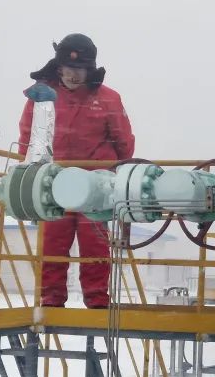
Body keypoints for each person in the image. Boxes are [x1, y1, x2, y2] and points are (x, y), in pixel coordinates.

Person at [18, 33, 135, 309]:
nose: (72, 75)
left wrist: (112, 177)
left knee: (94, 244)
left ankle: (96, 300)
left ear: (89, 69)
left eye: (79, 69)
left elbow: (124, 143)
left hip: (94, 186)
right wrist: (30, 174)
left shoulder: (107, 99)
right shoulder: (42, 97)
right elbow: (28, 138)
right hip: (52, 183)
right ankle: (50, 298)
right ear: (58, 67)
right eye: (68, 69)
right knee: (52, 244)